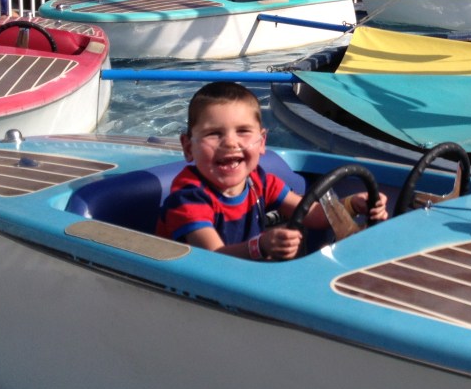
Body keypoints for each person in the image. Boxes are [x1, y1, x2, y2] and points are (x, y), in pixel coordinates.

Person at [157, 82, 388, 260]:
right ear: (188, 147)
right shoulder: (188, 197)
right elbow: (212, 257)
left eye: (243, 131)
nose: (230, 143)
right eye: (214, 133)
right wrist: (261, 246)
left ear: (262, 141)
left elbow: (313, 216)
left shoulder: (259, 181)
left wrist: (351, 205)